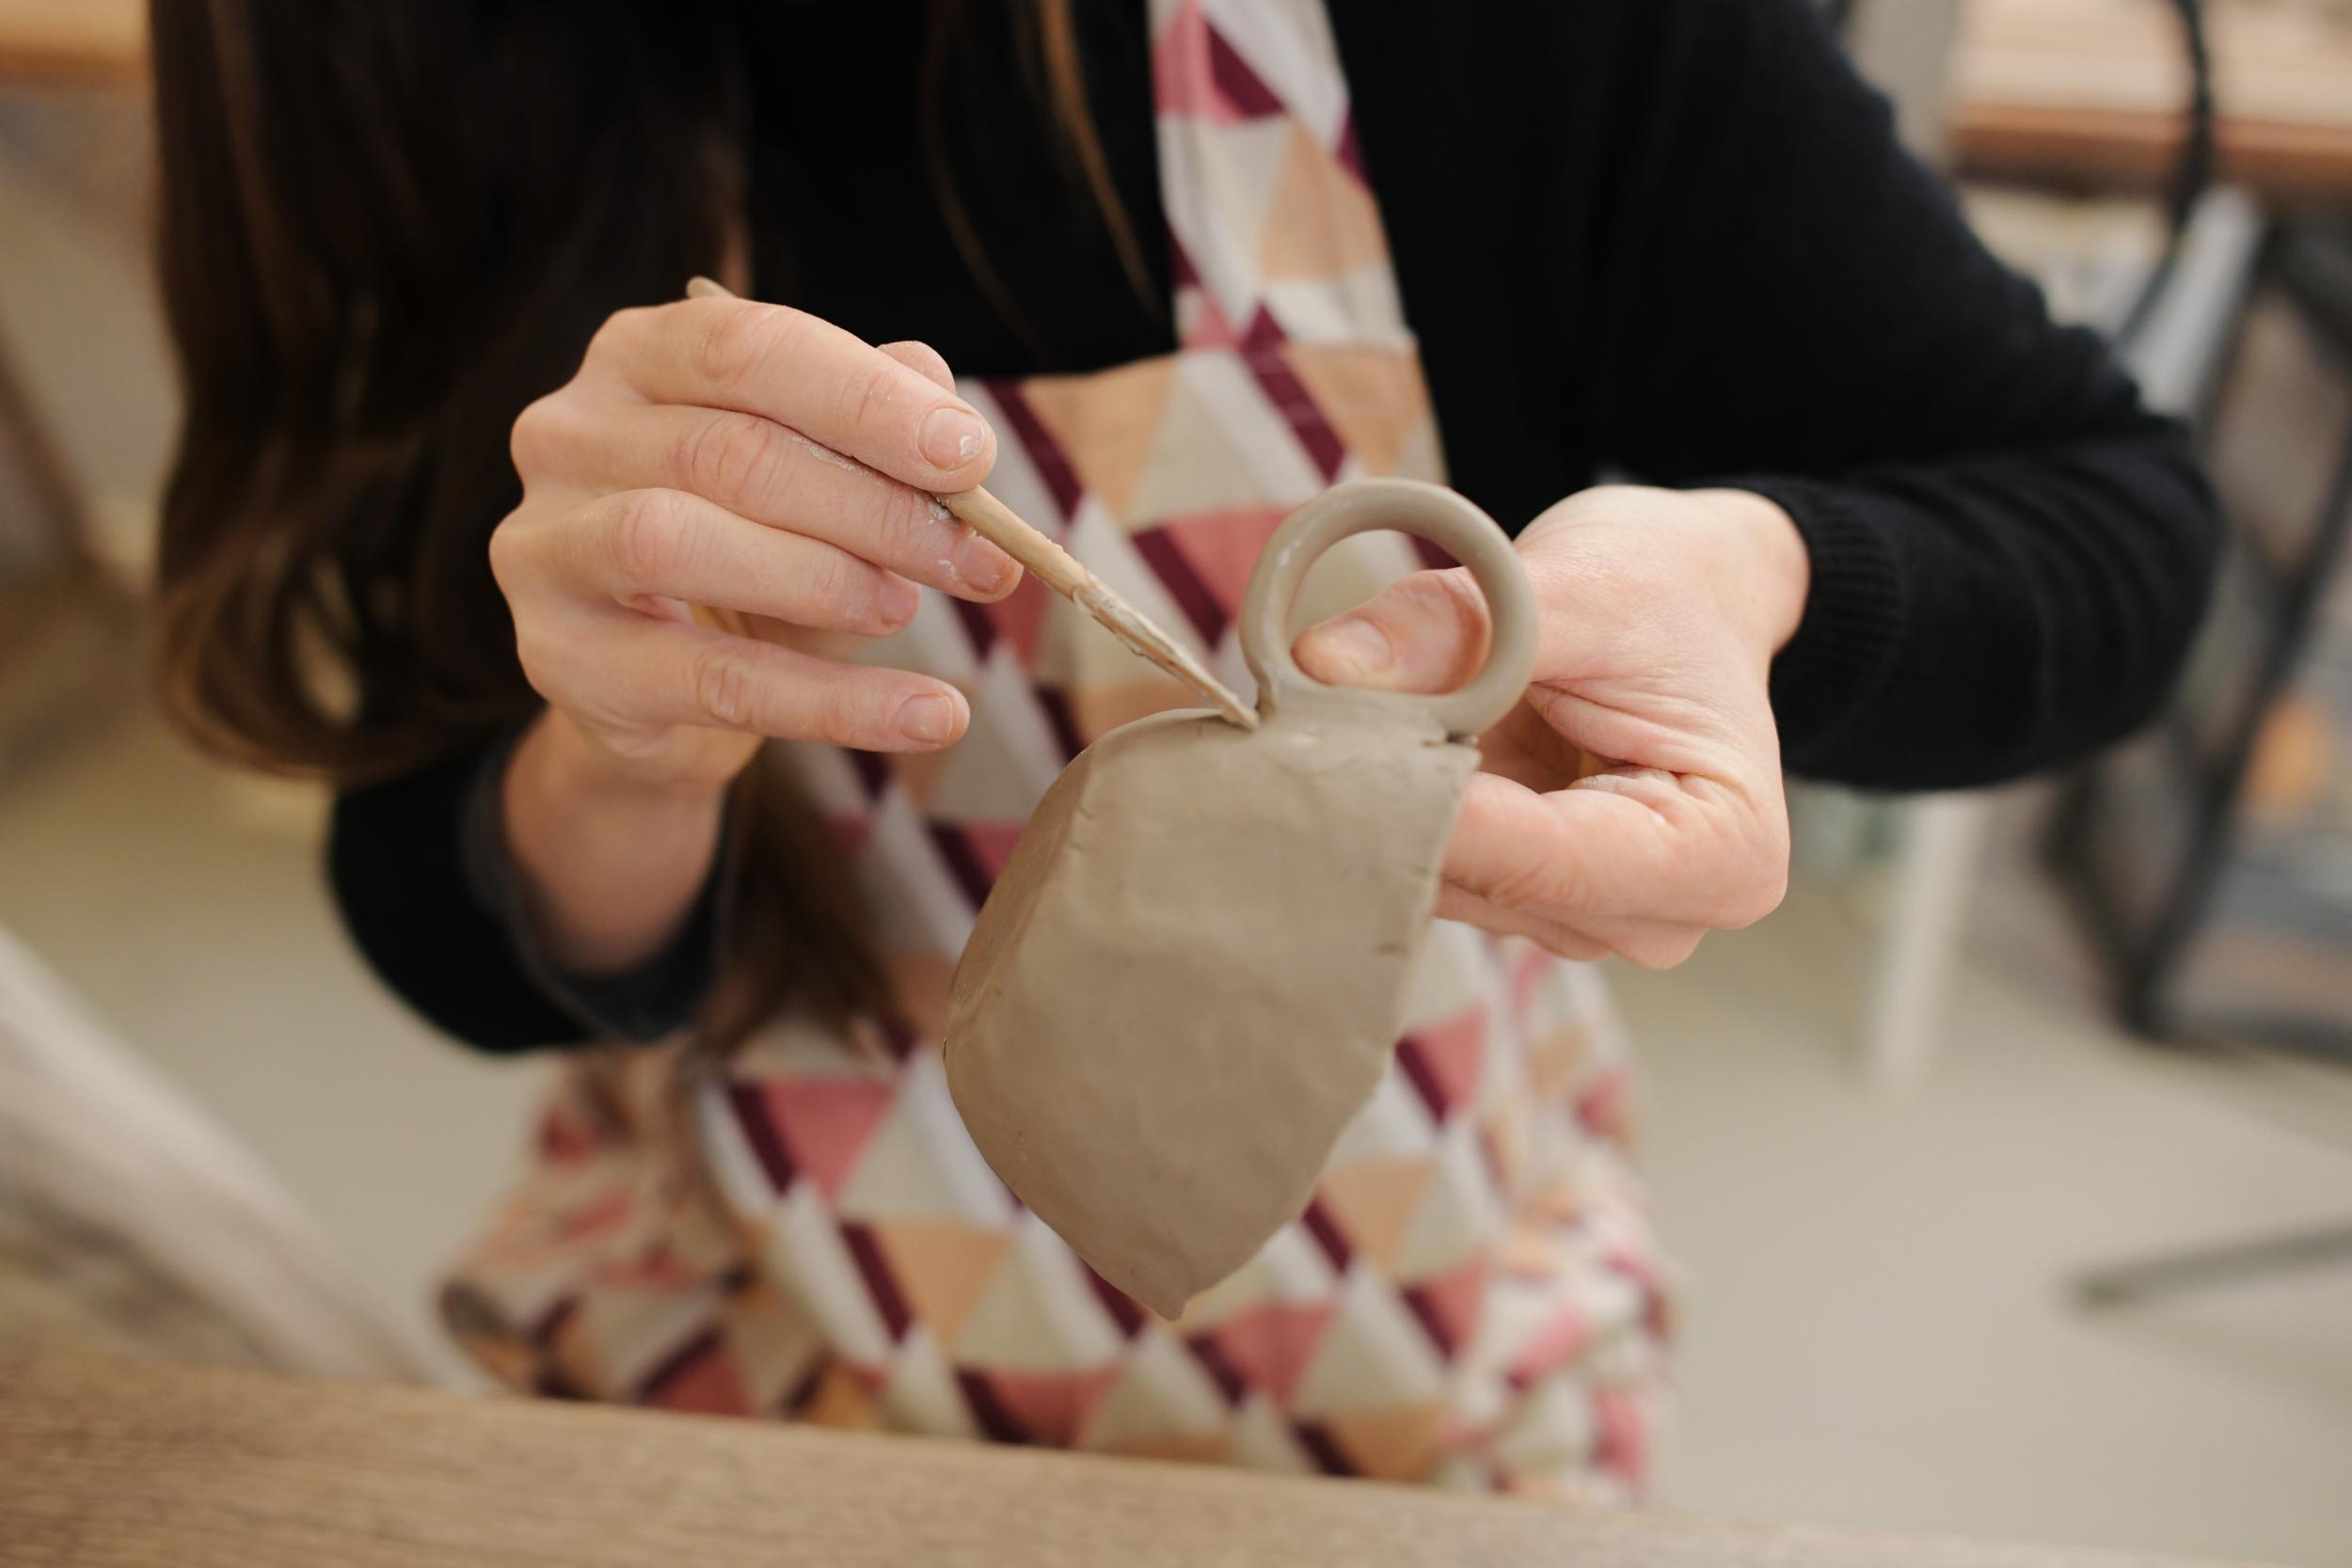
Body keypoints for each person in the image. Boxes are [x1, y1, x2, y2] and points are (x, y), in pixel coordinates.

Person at [147, 0, 2217, 1497]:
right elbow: (422, 893)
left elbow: (2112, 521)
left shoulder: (1482, 54)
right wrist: (614, 750)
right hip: (743, 1365)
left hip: (1422, 1380)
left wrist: (1759, 578)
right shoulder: (395, 66)